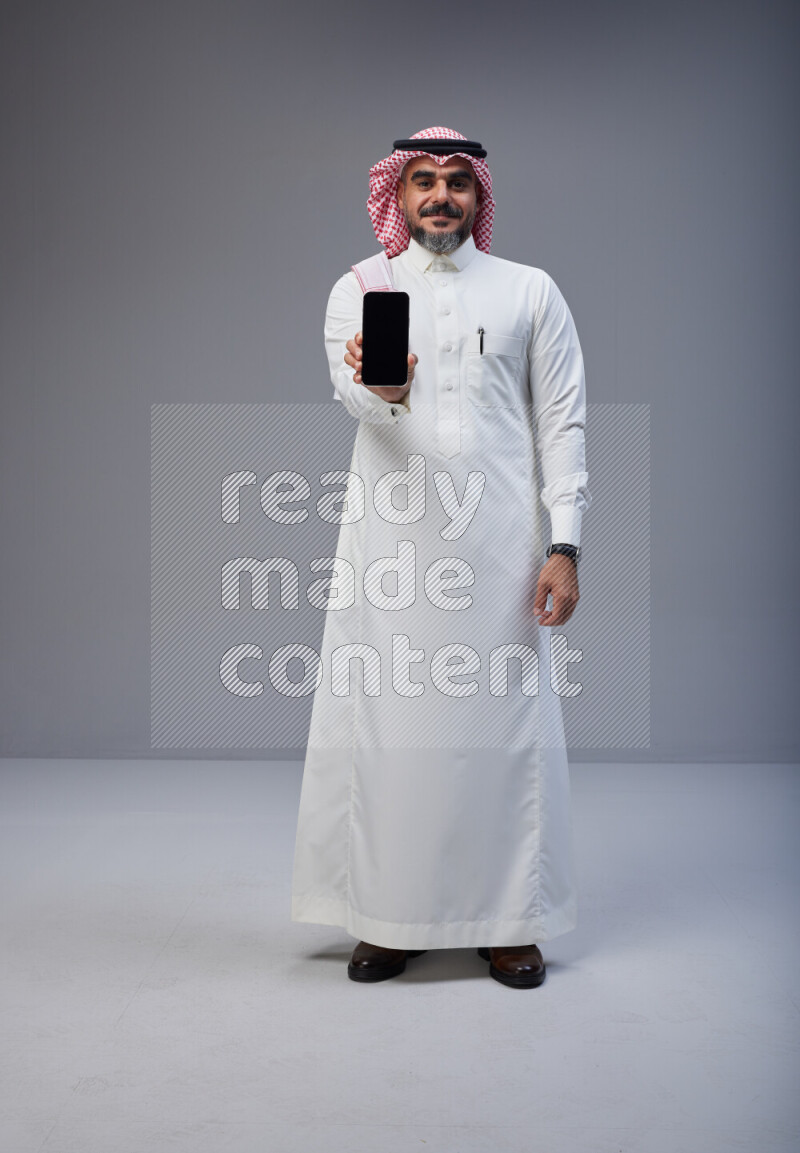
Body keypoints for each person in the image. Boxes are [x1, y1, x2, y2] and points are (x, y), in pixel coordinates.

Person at [290, 127, 591, 989]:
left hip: (501, 549)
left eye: (457, 182)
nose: (439, 198)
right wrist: (381, 389)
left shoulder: (531, 291)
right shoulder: (363, 287)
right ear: (400, 192)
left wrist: (564, 545)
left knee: (499, 732)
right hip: (393, 547)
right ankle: (389, 917)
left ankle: (509, 921)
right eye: (422, 181)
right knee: (391, 732)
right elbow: (353, 394)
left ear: (478, 194)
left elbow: (562, 423)